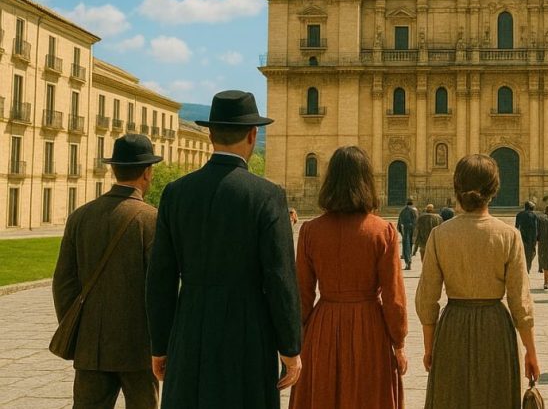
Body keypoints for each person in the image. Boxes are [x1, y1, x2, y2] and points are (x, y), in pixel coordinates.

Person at [146, 90, 302, 408]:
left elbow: (160, 277)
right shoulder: (267, 195)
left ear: (210, 135)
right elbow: (279, 277)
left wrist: (159, 344)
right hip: (248, 329)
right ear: (252, 134)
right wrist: (290, 347)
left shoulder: (175, 193)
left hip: (190, 325)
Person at [416, 154, 540, 408]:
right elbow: (520, 301)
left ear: (457, 189)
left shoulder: (439, 235)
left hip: (452, 328)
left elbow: (427, 298)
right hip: (495, 329)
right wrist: (531, 350)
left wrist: (429, 347)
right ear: (493, 190)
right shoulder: (509, 235)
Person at [289, 146, 408, 409]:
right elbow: (394, 297)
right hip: (370, 329)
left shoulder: (310, 231)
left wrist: (296, 342)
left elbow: (302, 295)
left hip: (324, 326)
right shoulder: (382, 231)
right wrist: (399, 344)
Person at [52, 134, 162, 409]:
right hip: (138, 348)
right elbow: (159, 289)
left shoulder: (81, 215)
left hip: (91, 346)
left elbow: (63, 283)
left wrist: (79, 326)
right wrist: (161, 342)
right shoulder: (151, 219)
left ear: (113, 169)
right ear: (147, 172)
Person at [515, 201, 539, 273]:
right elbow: (535, 228)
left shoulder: (519, 214)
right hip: (530, 239)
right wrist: (535, 240)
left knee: (521, 254)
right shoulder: (534, 215)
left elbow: (516, 227)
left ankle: (522, 268)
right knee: (529, 255)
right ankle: (527, 269)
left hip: (521, 237)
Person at [397, 198, 419, 270]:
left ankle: (408, 262)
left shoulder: (403, 210)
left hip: (406, 230)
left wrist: (400, 230)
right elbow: (417, 220)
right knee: (411, 245)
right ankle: (409, 259)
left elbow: (400, 221)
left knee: (406, 246)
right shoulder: (415, 210)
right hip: (413, 229)